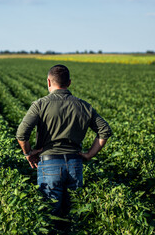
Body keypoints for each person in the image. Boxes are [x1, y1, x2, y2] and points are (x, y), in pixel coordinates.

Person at [16, 64, 112, 219]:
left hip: (49, 164)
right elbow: (104, 131)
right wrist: (89, 155)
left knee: (49, 216)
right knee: (75, 214)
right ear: (69, 82)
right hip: (75, 163)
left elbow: (21, 134)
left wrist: (28, 153)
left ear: (48, 82)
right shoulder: (84, 105)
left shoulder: (40, 104)